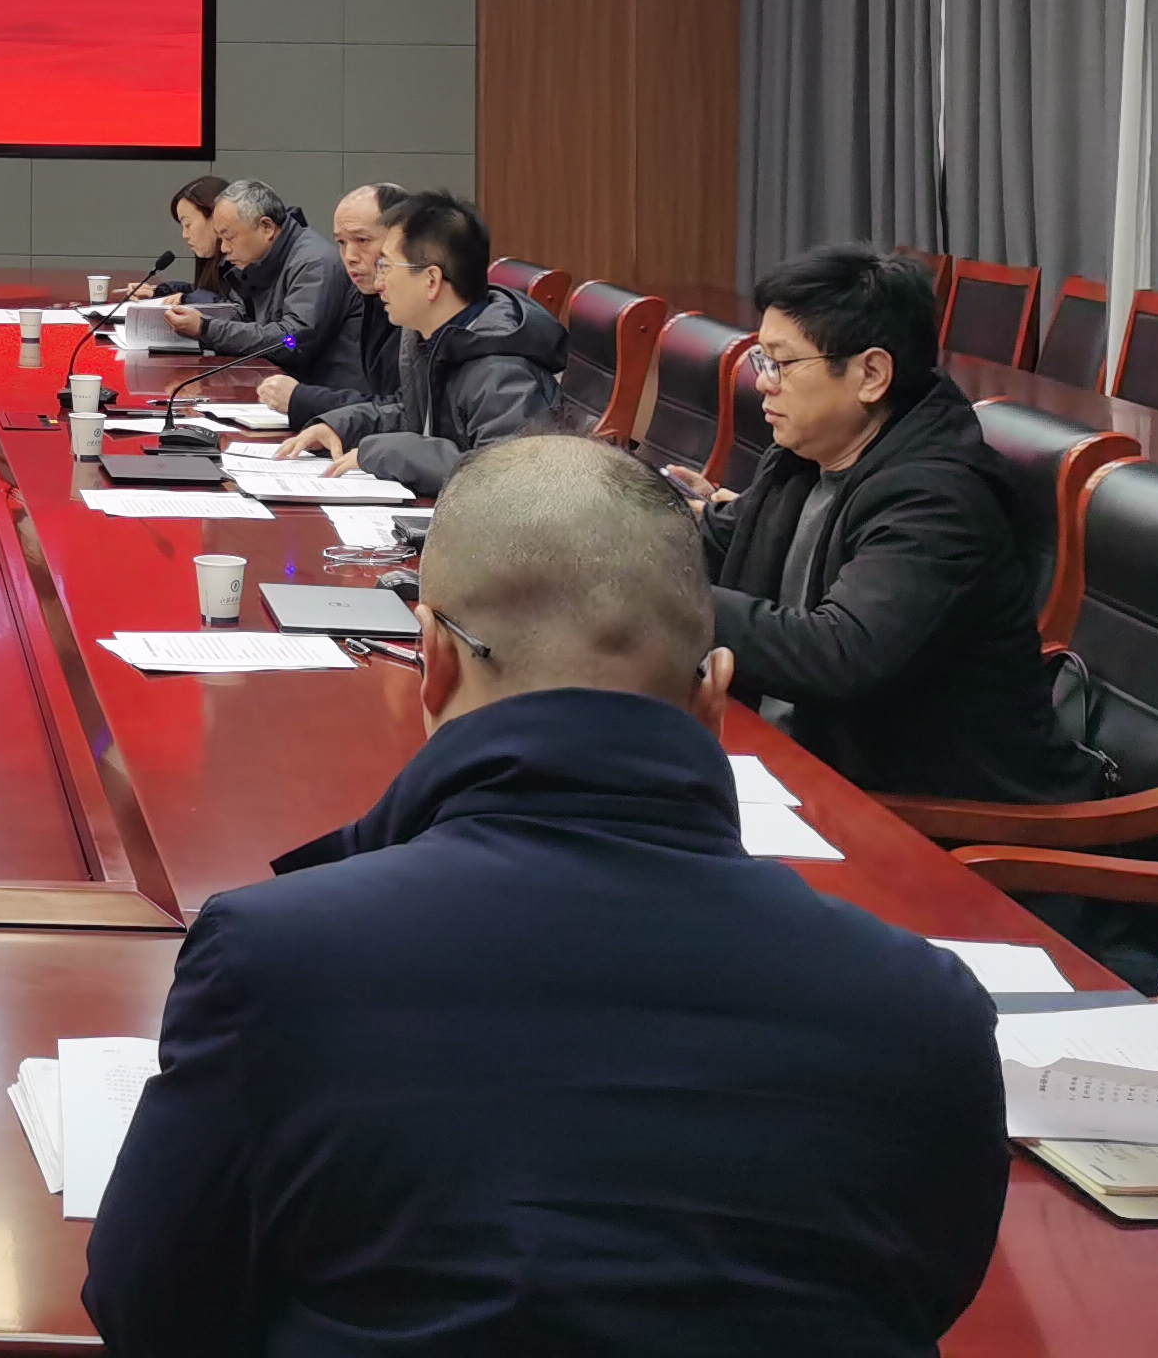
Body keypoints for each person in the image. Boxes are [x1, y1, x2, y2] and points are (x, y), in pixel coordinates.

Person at [84, 435, 1002, 1357]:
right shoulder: (925, 1005)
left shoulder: (276, 962)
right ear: (718, 693)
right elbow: (924, 1296)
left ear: (432, 658)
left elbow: (152, 1307)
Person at [690, 246, 1099, 807]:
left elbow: (842, 653)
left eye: (781, 364)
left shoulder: (937, 499)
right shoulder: (804, 458)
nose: (763, 383)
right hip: (814, 771)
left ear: (871, 374)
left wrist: (667, 599)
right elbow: (721, 537)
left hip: (943, 813)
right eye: (763, 361)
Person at [281, 192, 563, 494]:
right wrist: (341, 425)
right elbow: (412, 415)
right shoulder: (430, 336)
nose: (379, 282)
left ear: (431, 281)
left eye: (386, 267)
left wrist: (389, 452)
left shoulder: (500, 370)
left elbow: (506, 479)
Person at [256, 183, 405, 432]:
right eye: (342, 242)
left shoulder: (316, 263)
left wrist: (301, 398)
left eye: (362, 240)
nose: (349, 256)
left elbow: (293, 340)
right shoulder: (248, 273)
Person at [163, 180, 347, 365]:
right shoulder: (257, 265)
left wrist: (206, 329)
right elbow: (247, 325)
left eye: (229, 237)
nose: (224, 248)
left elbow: (292, 342)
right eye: (220, 238)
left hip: (317, 381)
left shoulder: (314, 262)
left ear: (267, 227)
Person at [120, 175, 237, 303]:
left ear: (217, 218)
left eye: (188, 224)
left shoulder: (242, 262)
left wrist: (186, 300)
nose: (184, 235)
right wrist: (160, 293)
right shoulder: (215, 264)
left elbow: (234, 306)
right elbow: (206, 292)